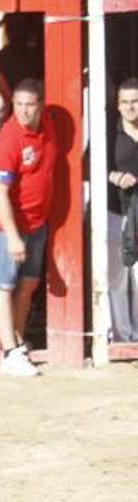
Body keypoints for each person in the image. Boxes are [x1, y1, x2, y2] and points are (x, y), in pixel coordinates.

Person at [0, 79, 56, 377]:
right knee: (4, 286)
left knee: (27, 286)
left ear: (41, 106)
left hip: (36, 223)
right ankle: (9, 352)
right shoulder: (9, 139)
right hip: (8, 228)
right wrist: (13, 237)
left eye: (30, 105)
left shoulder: (48, 124)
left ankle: (16, 341)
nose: (24, 111)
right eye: (19, 105)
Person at [108, 78, 138, 343]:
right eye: (125, 102)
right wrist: (115, 177)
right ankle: (121, 336)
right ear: (117, 105)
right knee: (118, 276)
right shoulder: (109, 134)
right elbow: (88, 166)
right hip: (116, 211)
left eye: (135, 101)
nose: (130, 107)